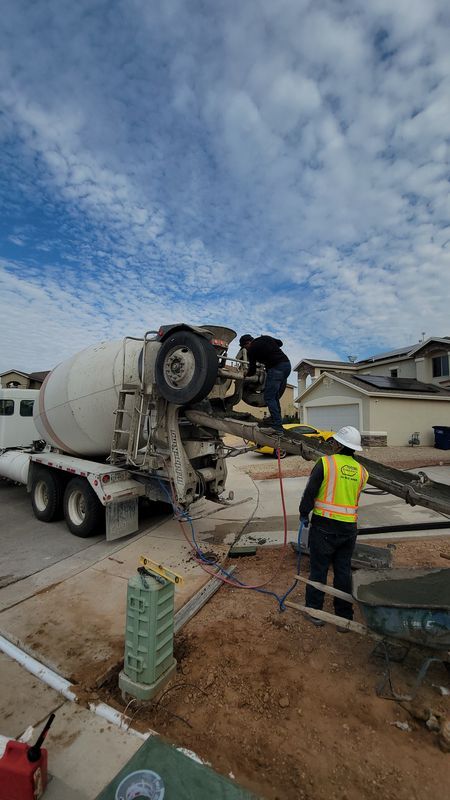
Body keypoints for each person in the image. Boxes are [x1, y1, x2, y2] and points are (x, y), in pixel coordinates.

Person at [298, 426, 369, 629]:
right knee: (343, 571)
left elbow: (310, 492)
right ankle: (344, 617)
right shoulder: (362, 472)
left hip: (324, 528)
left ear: (338, 444)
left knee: (319, 570)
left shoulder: (326, 463)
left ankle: (315, 611)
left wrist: (304, 513)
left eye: (334, 442)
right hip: (349, 529)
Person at [239, 334, 291, 433]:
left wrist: (246, 375)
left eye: (245, 346)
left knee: (269, 397)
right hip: (286, 365)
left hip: (276, 369)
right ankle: (276, 421)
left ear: (247, 343)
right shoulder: (265, 338)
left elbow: (252, 369)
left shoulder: (251, 350)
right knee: (275, 396)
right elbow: (280, 343)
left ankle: (277, 427)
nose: (245, 348)